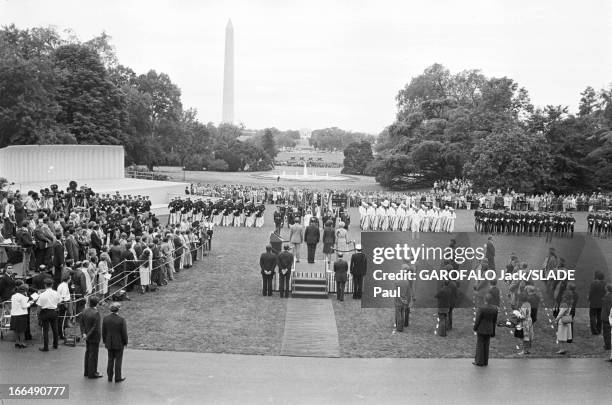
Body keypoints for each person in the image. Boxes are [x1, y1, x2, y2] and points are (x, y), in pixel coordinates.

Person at [102, 302, 128, 383]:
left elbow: (104, 332)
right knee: (118, 360)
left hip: (109, 342)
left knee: (110, 359)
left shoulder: (105, 319)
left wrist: (105, 340)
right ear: (118, 310)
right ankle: (118, 377)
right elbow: (124, 333)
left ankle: (109, 376)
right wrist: (125, 341)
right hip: (119, 343)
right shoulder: (121, 320)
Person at [473, 293, 498, 367]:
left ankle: (479, 361)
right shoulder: (495, 308)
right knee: (486, 344)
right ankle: (485, 361)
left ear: (485, 300)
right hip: (489, 328)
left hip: (481, 328)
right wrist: (493, 330)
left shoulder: (481, 308)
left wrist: (475, 327)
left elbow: (478, 319)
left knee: (480, 345)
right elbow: (494, 321)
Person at [80, 296, 102, 379]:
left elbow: (81, 323)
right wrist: (88, 335)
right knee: (94, 355)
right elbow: (95, 327)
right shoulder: (96, 313)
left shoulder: (84, 311)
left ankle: (87, 371)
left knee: (88, 353)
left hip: (87, 336)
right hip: (94, 336)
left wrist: (84, 334)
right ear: (96, 303)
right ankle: (92, 373)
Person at [36, 278, 61, 351]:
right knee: (55, 329)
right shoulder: (56, 293)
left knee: (45, 330)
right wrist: (56, 306)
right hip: (53, 311)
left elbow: (39, 307)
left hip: (45, 312)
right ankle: (55, 345)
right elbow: (59, 302)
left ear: (45, 285)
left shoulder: (42, 295)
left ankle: (46, 347)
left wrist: (38, 314)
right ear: (52, 285)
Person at [588, 271, 606, 335]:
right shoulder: (605, 283)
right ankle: (599, 330)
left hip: (593, 302)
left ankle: (594, 330)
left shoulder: (593, 283)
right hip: (601, 302)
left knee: (592, 316)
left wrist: (589, 298)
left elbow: (591, 292)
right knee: (599, 317)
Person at [601, 284, 612, 351]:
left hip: (606, 317)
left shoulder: (608, 297)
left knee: (606, 332)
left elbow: (608, 308)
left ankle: (607, 345)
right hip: (608, 316)